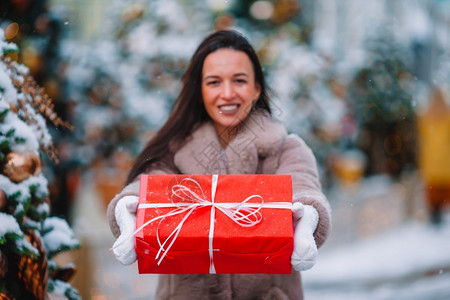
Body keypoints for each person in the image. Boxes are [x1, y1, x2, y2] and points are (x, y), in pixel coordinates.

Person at [107, 29, 331, 300]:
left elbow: (302, 186)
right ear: (199, 90)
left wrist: (307, 218)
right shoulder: (174, 150)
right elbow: (151, 185)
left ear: (256, 88)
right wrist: (129, 209)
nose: (227, 93)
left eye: (239, 80)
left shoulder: (287, 149)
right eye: (214, 82)